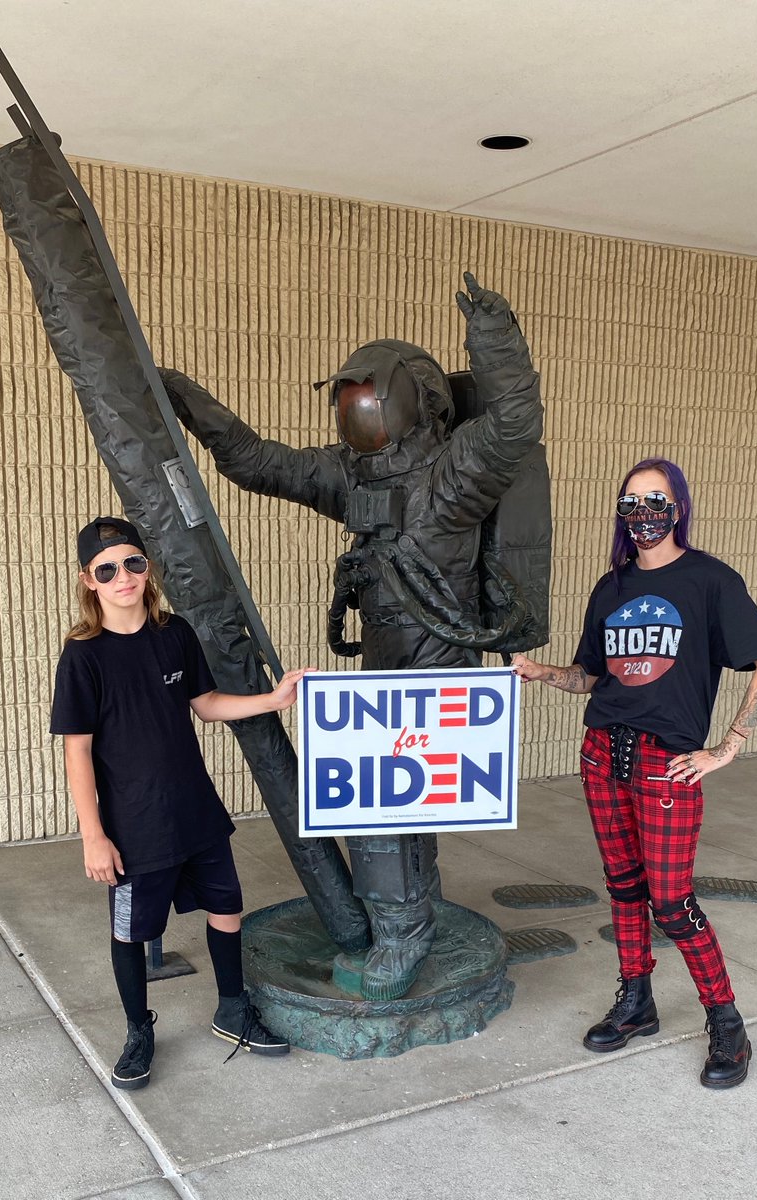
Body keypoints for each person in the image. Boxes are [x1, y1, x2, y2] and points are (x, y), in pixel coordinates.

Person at [158, 273, 546, 1001]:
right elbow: (253, 460)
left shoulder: (458, 469)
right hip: (383, 659)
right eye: (346, 402)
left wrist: (493, 336)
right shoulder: (347, 474)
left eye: (367, 399)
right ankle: (416, 905)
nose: (355, 414)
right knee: (396, 800)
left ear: (413, 400)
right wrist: (184, 398)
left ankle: (401, 930)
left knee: (383, 805)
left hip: (438, 659)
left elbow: (515, 424)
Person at [512, 458, 757, 1089]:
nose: (643, 513)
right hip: (602, 756)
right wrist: (541, 673)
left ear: (678, 506)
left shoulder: (709, 581)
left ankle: (727, 1023)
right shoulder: (609, 589)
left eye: (656, 500)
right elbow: (591, 677)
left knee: (672, 900)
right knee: (624, 888)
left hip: (668, 764)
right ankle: (636, 1002)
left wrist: (729, 745)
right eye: (631, 501)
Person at [50, 516, 310, 1090]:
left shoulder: (176, 634)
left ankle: (232, 1009)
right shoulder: (83, 656)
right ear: (88, 580)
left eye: (134, 563)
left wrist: (274, 698)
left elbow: (208, 703)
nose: (124, 577)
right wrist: (93, 835)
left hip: (195, 811)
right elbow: (78, 752)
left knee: (227, 908)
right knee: (131, 932)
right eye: (107, 569)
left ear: (148, 568)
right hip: (134, 826)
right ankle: (139, 1029)